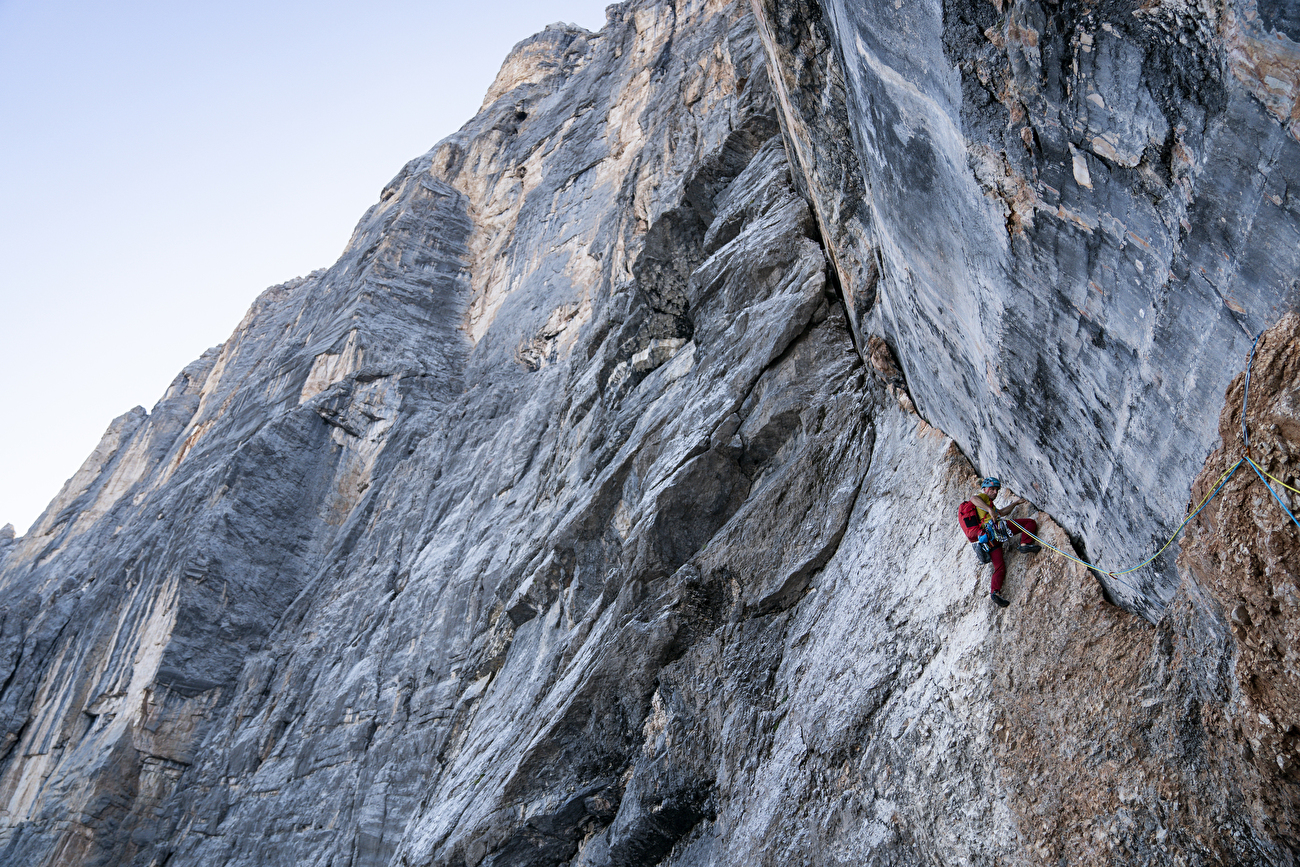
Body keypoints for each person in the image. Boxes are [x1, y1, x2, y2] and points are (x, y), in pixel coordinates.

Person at [969, 477, 1040, 607]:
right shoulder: (983, 498)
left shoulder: (990, 505)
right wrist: (989, 509)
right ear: (985, 489)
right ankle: (1024, 544)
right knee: (1030, 523)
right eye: (992, 489)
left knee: (999, 567)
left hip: (990, 540)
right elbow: (974, 499)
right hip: (996, 530)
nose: (995, 492)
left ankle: (995, 593)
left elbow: (1002, 512)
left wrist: (1015, 504)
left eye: (997, 490)